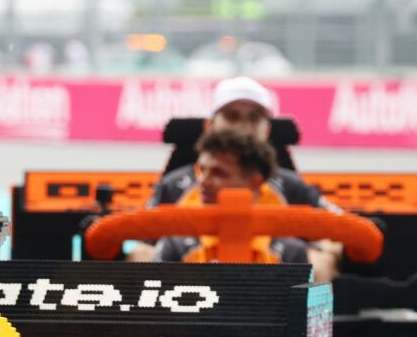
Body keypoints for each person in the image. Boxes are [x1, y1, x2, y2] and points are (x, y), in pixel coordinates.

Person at [126, 75, 338, 262]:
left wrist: (316, 257)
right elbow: (131, 238)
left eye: (254, 118)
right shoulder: (174, 185)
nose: (243, 126)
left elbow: (338, 232)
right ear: (209, 126)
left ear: (267, 129)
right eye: (232, 116)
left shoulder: (292, 187)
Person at [150, 126, 340, 281]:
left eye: (218, 173)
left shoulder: (292, 253)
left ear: (254, 182)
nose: (202, 182)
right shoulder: (173, 245)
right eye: (203, 170)